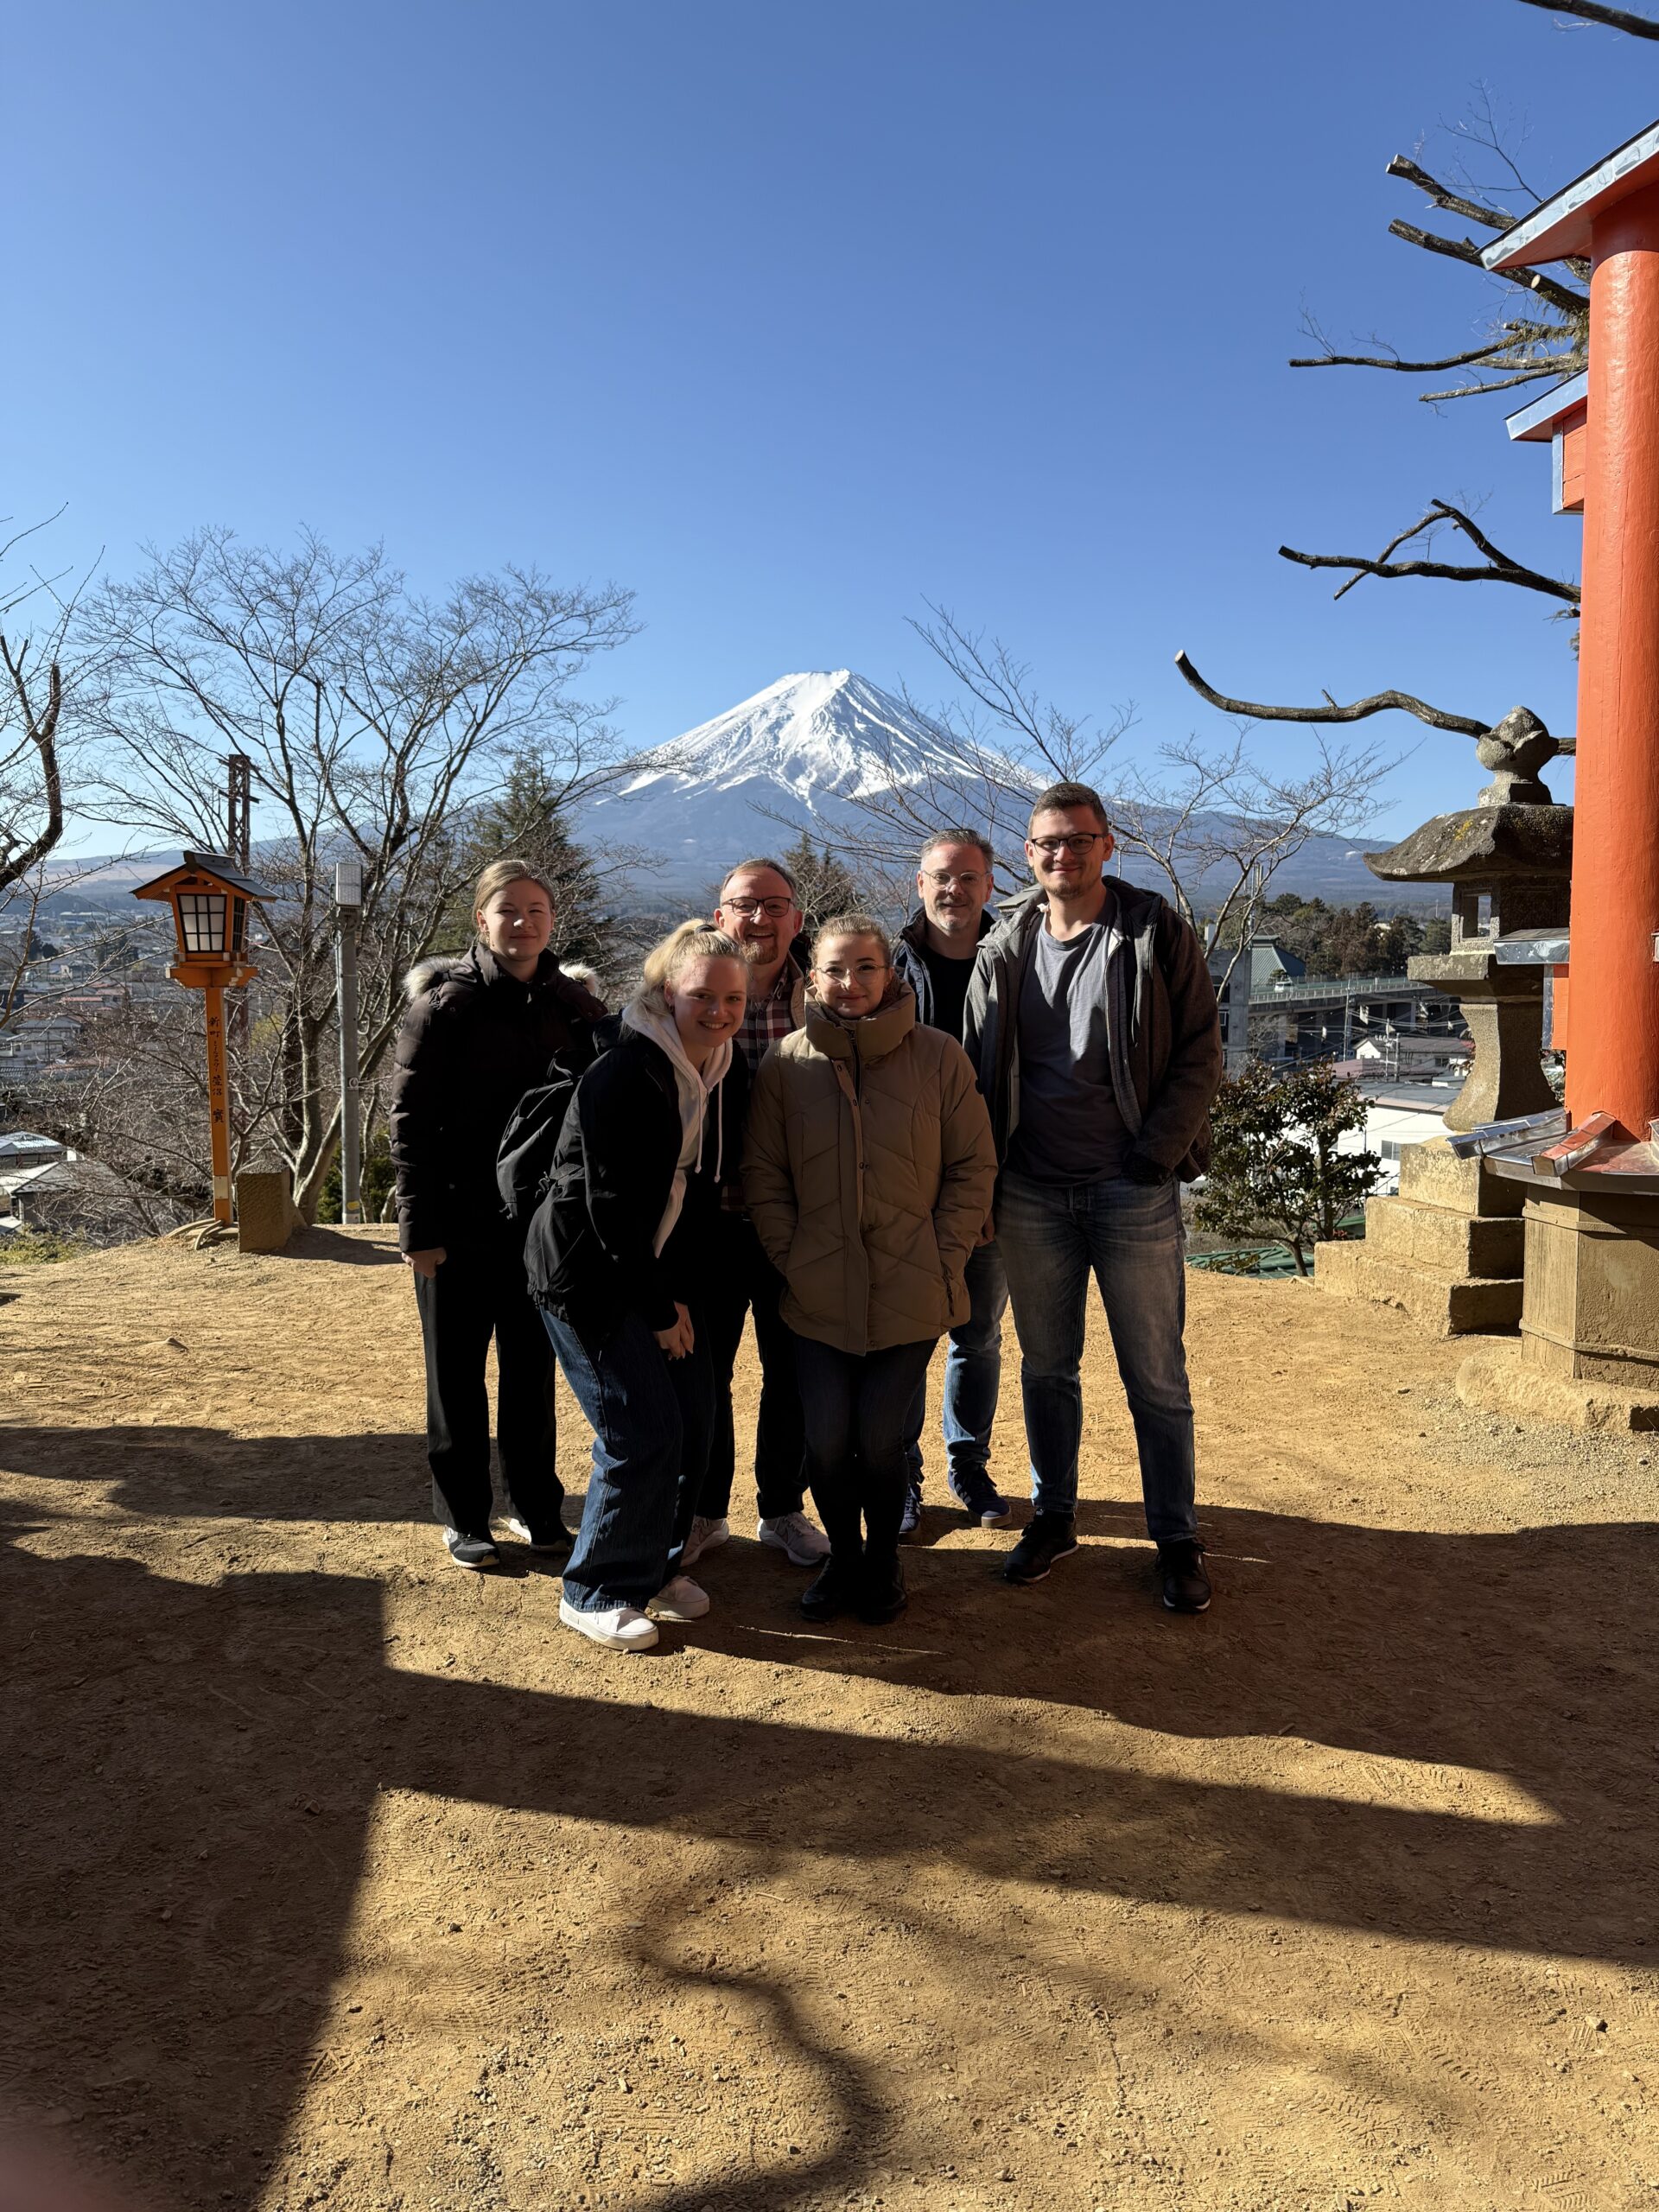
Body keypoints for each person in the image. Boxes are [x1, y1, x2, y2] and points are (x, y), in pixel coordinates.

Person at [962, 782, 1223, 1612]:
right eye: (1048, 842)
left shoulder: (1151, 931)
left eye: (1079, 839)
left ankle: (1175, 1535)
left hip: (1130, 1186)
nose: (1063, 854)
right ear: (1029, 852)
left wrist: (1156, 1155)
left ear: (1108, 846)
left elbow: (1200, 1050)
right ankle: (1055, 1516)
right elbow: (975, 1068)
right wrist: (983, 1177)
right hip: (1030, 1190)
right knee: (1047, 1368)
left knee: (1156, 1375)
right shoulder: (1005, 941)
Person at [745, 914, 996, 1625]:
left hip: (911, 1287)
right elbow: (765, 1175)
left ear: (890, 975)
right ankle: (844, 1559)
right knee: (825, 1442)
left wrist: (943, 1254)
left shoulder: (939, 1056)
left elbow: (972, 1166)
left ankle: (883, 1559)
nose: (849, 983)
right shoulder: (786, 1063)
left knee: (882, 1440)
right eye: (833, 969)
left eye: (865, 967)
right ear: (813, 977)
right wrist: (793, 1256)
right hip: (816, 1290)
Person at [524, 922, 750, 1650]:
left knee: (692, 1421)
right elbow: (611, 1207)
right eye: (702, 996)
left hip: (653, 1267)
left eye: (733, 999)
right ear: (666, 991)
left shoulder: (716, 1066)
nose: (718, 1011)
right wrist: (658, 1307)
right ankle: (595, 1588)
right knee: (639, 1430)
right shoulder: (626, 1069)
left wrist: (676, 1293)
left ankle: (653, 1565)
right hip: (588, 1273)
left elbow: (692, 1192)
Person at [390, 859, 605, 1571]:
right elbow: (409, 1125)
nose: (523, 922)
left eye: (536, 910)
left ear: (553, 920)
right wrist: (419, 1232)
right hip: (456, 1224)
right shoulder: (445, 1006)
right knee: (454, 1376)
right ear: (482, 920)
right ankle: (463, 1516)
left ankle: (537, 1508)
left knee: (532, 1376)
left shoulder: (576, 1007)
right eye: (508, 910)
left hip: (542, 1229)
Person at [679, 857, 831, 1572]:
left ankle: (782, 1509)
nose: (760, 919)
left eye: (774, 906)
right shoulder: (689, 991)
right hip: (707, 1222)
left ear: (797, 918)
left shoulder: (828, 994)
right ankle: (705, 1512)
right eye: (745, 905)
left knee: (792, 1374)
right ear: (721, 917)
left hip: (797, 1222)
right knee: (703, 1377)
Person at [890, 828, 1010, 1534]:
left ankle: (969, 1466)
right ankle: (902, 1475)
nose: (954, 890)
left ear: (989, 885)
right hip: (907, 1192)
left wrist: (986, 1189)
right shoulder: (890, 968)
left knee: (978, 1336)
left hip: (994, 1186)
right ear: (920, 883)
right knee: (908, 1337)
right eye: (941, 876)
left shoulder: (1019, 961)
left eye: (968, 878)